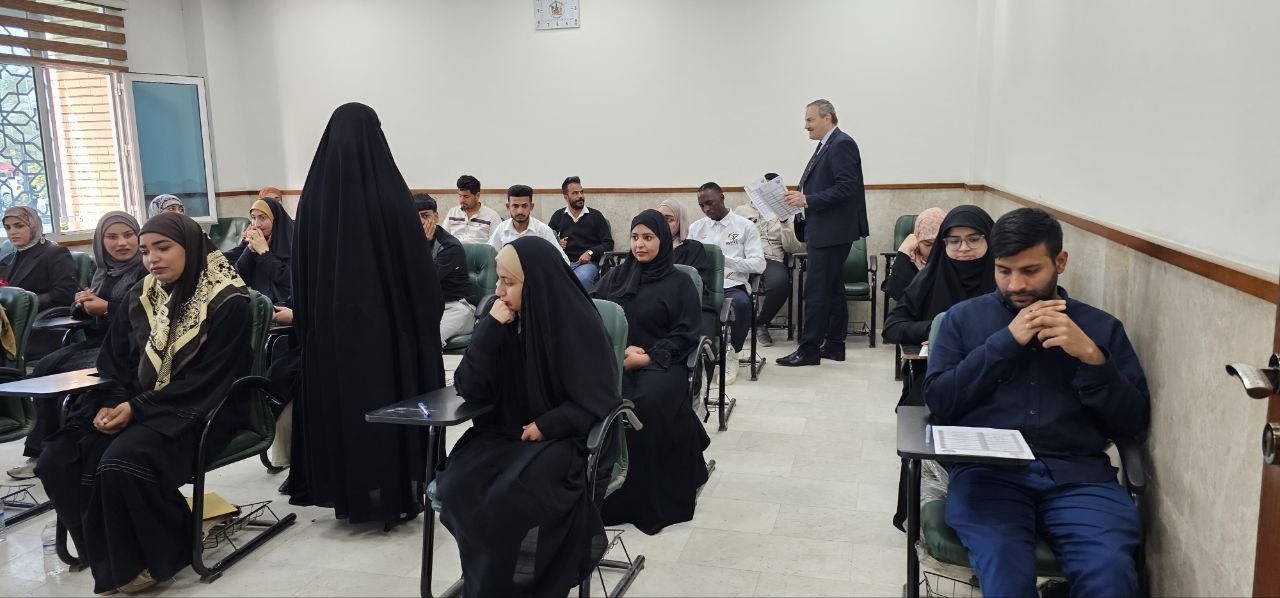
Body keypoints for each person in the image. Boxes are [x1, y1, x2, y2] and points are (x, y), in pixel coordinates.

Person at [924, 208, 1149, 596]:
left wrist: (1092, 358)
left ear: (1060, 262)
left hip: (1078, 476)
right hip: (988, 473)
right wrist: (1005, 342)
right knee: (1005, 571)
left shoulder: (1100, 328)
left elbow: (1133, 421)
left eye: (1030, 271)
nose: (1016, 285)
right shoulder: (962, 320)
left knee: (1109, 572)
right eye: (1004, 271)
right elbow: (941, 402)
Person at [35, 212, 252, 595]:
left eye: (163, 248)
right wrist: (114, 402)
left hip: (199, 409)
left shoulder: (227, 301)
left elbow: (212, 378)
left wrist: (138, 408)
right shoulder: (142, 295)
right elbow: (114, 361)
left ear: (191, 248)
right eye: (147, 250)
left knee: (122, 462)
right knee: (58, 457)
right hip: (137, 403)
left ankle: (154, 558)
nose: (152, 259)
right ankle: (106, 556)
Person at [283, 102, 445, 528]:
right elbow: (419, 276)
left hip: (330, 337)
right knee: (386, 408)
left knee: (343, 411)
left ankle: (346, 491)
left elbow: (301, 276)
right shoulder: (389, 196)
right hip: (387, 338)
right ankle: (396, 489)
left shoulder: (312, 201)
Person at [436, 236, 621, 596]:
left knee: (509, 497)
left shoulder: (576, 324)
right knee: (459, 487)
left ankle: (519, 583)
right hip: (506, 435)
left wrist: (547, 425)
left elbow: (598, 401)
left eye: (509, 282)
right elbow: (469, 387)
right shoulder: (501, 318)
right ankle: (488, 581)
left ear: (535, 283)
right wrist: (488, 330)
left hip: (563, 440)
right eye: (498, 280)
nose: (498, 291)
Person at [6, 212, 147, 480]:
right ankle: (39, 452)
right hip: (100, 341)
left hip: (131, 346)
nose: (122, 243)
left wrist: (107, 308)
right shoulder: (103, 271)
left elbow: (147, 316)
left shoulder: (147, 269)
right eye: (112, 237)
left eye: (129, 235)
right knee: (45, 367)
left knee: (69, 379)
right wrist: (82, 303)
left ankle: (68, 450)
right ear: (101, 242)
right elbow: (85, 311)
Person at [593, 210, 709, 534]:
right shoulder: (616, 276)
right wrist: (618, 350)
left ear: (663, 240)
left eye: (648, 238)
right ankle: (605, 492)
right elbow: (592, 312)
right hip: (617, 358)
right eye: (634, 237)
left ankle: (645, 499)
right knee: (600, 398)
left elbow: (686, 333)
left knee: (644, 404)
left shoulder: (679, 282)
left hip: (662, 361)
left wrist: (646, 357)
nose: (639, 245)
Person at [777, 99, 869, 367]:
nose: (806, 126)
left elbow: (846, 187)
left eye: (810, 120)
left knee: (816, 291)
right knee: (833, 289)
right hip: (826, 229)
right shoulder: (827, 145)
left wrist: (807, 200)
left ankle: (809, 350)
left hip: (832, 231)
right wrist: (799, 197)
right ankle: (835, 345)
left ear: (827, 118)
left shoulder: (842, 144)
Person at [883, 205, 995, 349]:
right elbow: (892, 327)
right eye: (954, 241)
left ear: (990, 239)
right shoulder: (929, 277)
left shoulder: (1006, 277)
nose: (963, 248)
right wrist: (936, 329)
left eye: (973, 240)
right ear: (944, 244)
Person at [688, 182, 764, 383]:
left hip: (732, 284)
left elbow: (759, 264)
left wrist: (725, 261)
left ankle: (732, 352)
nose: (706, 209)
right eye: (701, 205)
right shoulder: (696, 228)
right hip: (704, 286)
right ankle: (701, 353)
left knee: (741, 304)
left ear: (722, 197)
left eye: (710, 203)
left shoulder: (745, 226)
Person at [734, 173, 805, 347]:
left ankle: (760, 323)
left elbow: (792, 248)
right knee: (728, 279)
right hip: (745, 257)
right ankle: (734, 324)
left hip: (771, 258)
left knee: (781, 282)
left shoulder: (786, 213)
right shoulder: (742, 211)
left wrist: (784, 222)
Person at [414, 193, 474, 345]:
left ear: (436, 216)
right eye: (415, 217)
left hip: (454, 307)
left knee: (427, 340)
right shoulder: (407, 243)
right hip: (423, 307)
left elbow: (426, 280)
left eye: (425, 215)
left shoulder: (450, 246)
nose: (421, 221)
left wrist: (423, 245)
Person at [0, 206, 78, 311]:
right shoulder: (6, 259)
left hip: (36, 315)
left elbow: (65, 292)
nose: (12, 232)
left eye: (19, 226)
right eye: (8, 228)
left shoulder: (55, 253)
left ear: (33, 226)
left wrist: (26, 303)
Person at [223, 194, 294, 306]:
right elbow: (239, 276)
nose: (256, 224)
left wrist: (264, 253)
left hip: (289, 305)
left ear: (275, 219)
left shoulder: (292, 240)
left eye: (263, 217)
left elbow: (291, 280)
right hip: (261, 304)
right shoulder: (253, 238)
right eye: (253, 218)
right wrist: (250, 249)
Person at [548, 176, 614, 288]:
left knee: (581, 278)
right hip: (564, 263)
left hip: (588, 264)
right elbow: (547, 240)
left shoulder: (596, 216)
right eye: (575, 193)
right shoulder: (558, 216)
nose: (580, 196)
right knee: (548, 278)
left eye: (581, 192)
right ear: (566, 197)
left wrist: (590, 252)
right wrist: (557, 243)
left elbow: (608, 243)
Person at [883, 207, 945, 302]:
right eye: (927, 244)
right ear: (917, 240)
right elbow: (896, 292)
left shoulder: (952, 258)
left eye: (939, 244)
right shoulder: (911, 257)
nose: (933, 249)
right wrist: (903, 251)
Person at [487, 184, 564, 259]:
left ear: (531, 206)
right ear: (508, 206)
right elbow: (489, 257)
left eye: (524, 206)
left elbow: (562, 259)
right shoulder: (501, 229)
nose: (520, 211)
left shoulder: (543, 230)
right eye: (515, 206)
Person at [443, 175, 501, 244]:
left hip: (479, 250)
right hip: (455, 249)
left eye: (466, 197)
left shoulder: (492, 216)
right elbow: (443, 237)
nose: (462, 200)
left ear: (477, 195)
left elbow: (495, 244)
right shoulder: (452, 212)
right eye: (460, 196)